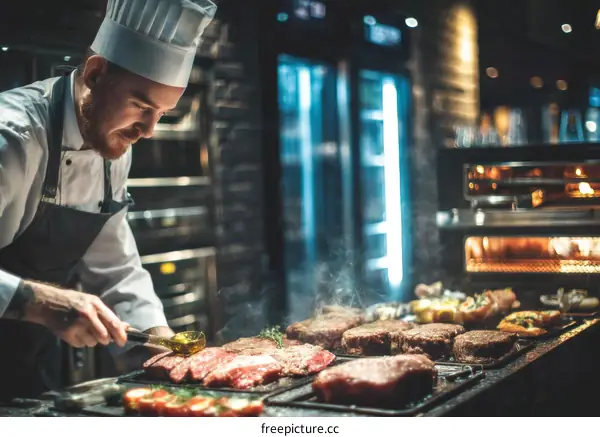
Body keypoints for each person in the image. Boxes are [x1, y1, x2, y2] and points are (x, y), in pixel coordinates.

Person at [0, 0, 217, 400]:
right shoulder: (12, 137)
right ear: (96, 73)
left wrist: (157, 341)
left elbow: (115, 266)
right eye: (141, 105)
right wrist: (37, 300)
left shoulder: (113, 141)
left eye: (163, 114)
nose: (149, 130)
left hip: (22, 372)